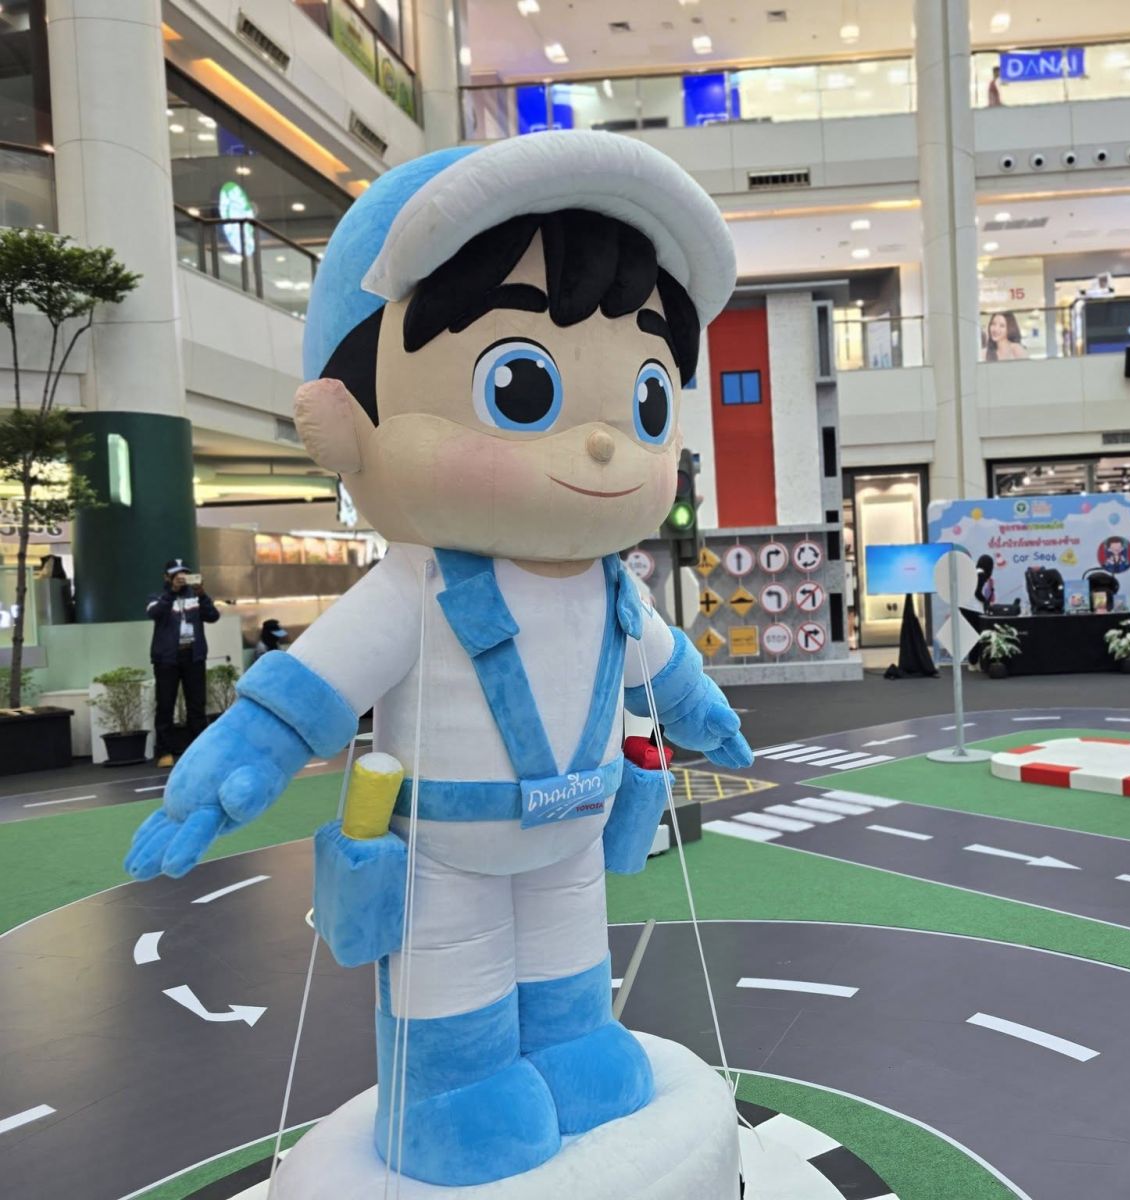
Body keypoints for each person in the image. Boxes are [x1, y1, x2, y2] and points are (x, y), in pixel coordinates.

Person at [124, 133, 751, 1190]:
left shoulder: (610, 584)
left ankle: (568, 1043)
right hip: (444, 851)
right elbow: (308, 691)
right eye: (522, 388)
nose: (606, 445)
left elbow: (665, 663)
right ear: (343, 421)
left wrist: (704, 713)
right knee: (452, 970)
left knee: (567, 957)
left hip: (571, 831)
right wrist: (243, 754)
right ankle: (449, 1092)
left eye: (646, 403)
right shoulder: (413, 585)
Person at [146, 558, 219, 767]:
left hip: (193, 657)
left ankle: (199, 750)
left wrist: (202, 594)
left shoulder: (196, 596)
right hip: (166, 659)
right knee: (165, 706)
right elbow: (155, 613)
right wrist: (172, 592)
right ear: (166, 577)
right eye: (176, 574)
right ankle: (164, 751)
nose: (181, 577)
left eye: (184, 573)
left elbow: (213, 616)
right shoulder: (157, 597)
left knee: (196, 705)